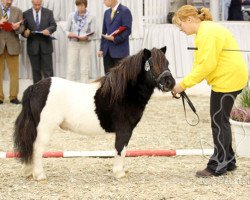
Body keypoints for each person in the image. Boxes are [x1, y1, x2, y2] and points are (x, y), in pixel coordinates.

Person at [172, 5, 248, 177]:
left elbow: (206, 66)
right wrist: (185, 83)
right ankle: (228, 160)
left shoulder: (207, 33)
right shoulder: (205, 31)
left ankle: (217, 166)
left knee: (218, 122)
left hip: (227, 80)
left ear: (189, 19)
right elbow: (201, 63)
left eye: (180, 25)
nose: (180, 29)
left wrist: (183, 85)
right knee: (221, 121)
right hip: (230, 78)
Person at [23, 0, 57, 84]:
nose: (37, 7)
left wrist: (48, 30)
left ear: (41, 2)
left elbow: (53, 25)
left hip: (46, 46)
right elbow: (23, 29)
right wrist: (25, 33)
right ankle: (37, 93)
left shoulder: (48, 12)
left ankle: (50, 92)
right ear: (32, 2)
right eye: (35, 5)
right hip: (32, 47)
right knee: (35, 72)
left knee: (48, 72)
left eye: (39, 4)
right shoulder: (25, 13)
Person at [97, 0, 132, 74]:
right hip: (107, 52)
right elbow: (104, 32)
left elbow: (128, 30)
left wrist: (115, 39)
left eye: (105, 0)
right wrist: (101, 49)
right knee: (108, 77)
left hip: (120, 52)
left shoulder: (125, 11)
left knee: (120, 78)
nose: (104, 2)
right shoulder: (106, 13)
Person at [64, 0, 96, 83]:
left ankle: (84, 88)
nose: (80, 8)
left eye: (82, 6)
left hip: (85, 44)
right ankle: (68, 88)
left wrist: (86, 37)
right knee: (71, 68)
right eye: (78, 6)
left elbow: (93, 33)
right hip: (73, 43)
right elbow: (66, 30)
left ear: (85, 5)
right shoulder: (71, 15)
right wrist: (69, 34)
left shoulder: (91, 16)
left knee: (84, 68)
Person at [0, 0, 24, 104]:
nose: (9, 1)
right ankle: (0, 97)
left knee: (14, 73)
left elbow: (22, 28)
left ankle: (13, 97)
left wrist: (17, 28)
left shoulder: (18, 11)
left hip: (13, 45)